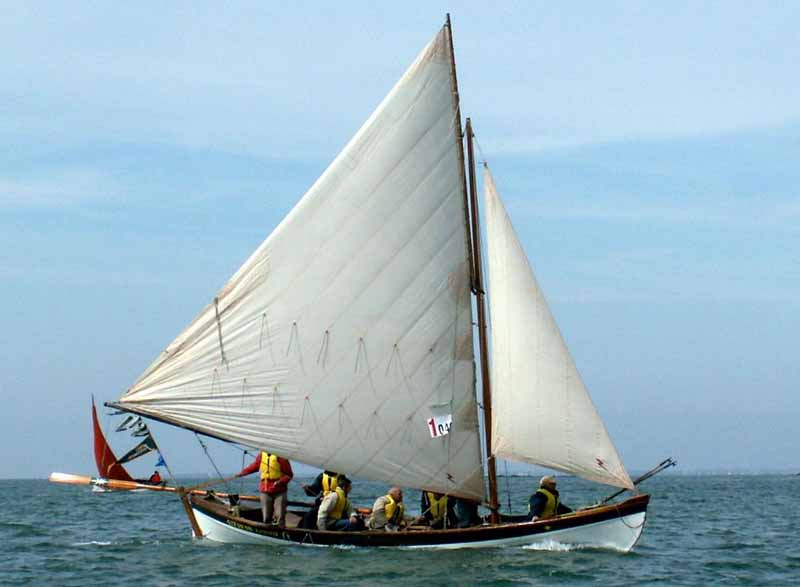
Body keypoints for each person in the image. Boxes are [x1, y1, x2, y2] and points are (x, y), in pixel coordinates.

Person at [237, 451, 294, 526]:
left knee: (279, 515)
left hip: (280, 490)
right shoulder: (261, 455)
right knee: (266, 516)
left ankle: (280, 530)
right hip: (265, 489)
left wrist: (280, 482)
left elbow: (289, 474)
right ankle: (267, 530)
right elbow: (255, 466)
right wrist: (242, 473)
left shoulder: (280, 456)